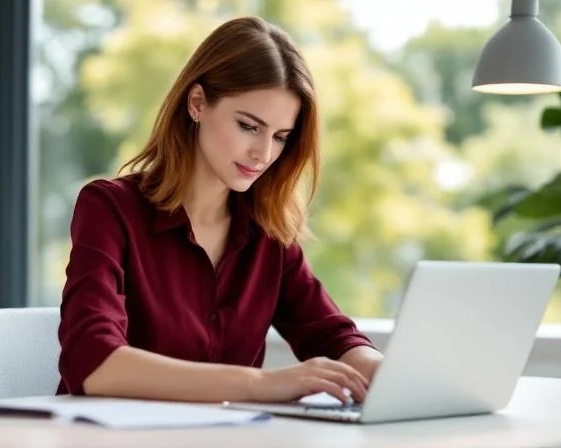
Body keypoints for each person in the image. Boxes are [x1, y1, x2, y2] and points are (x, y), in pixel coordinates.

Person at [57, 16, 383, 405]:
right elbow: (92, 363)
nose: (263, 154)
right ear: (197, 103)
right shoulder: (109, 209)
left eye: (280, 137)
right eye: (249, 126)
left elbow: (334, 337)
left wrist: (389, 373)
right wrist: (262, 384)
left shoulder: (268, 232)